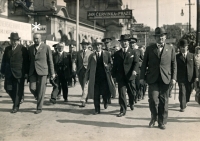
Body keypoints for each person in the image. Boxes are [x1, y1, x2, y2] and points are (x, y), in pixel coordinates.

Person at [140, 27, 177, 130]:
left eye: (162, 36)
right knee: (152, 99)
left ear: (165, 37)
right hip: (152, 78)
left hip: (166, 78)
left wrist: (174, 78)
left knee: (164, 101)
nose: (160, 38)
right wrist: (142, 77)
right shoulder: (149, 49)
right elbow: (144, 65)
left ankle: (162, 122)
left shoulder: (170, 49)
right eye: (158, 36)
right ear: (155, 38)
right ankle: (153, 117)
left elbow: (174, 65)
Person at [85, 39, 116, 114]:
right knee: (96, 94)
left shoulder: (107, 54)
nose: (98, 46)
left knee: (105, 92)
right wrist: (87, 77)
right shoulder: (92, 56)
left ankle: (105, 101)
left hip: (105, 77)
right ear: (94, 46)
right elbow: (88, 67)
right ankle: (97, 109)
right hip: (95, 78)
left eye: (99, 45)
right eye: (96, 45)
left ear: (101, 46)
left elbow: (111, 64)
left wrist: (107, 66)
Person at [0, 32, 29, 113]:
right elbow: (4, 61)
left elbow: (26, 62)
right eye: (12, 40)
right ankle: (17, 99)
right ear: (10, 40)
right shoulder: (7, 49)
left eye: (15, 40)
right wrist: (2, 71)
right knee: (7, 88)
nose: (13, 42)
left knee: (17, 90)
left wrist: (26, 72)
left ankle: (15, 106)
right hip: (8, 73)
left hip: (19, 73)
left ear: (18, 41)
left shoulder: (23, 49)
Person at [112, 34, 139, 117]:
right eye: (123, 42)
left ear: (128, 42)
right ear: (120, 43)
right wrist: (113, 75)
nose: (124, 43)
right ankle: (122, 110)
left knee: (132, 92)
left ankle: (131, 102)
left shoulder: (133, 52)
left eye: (126, 42)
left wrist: (134, 70)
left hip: (130, 76)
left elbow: (136, 63)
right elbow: (115, 65)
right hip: (121, 77)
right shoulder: (117, 53)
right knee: (122, 94)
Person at [28, 33, 55, 114]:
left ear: (40, 39)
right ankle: (37, 96)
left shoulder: (46, 47)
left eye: (37, 38)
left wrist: (52, 72)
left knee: (41, 90)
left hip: (43, 71)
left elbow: (50, 61)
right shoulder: (30, 48)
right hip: (33, 71)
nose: (36, 40)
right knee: (32, 88)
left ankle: (39, 108)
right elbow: (29, 60)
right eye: (34, 38)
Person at [176, 39, 197, 112]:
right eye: (181, 47)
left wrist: (196, 77)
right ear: (179, 48)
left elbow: (195, 66)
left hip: (190, 77)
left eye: (184, 46)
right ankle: (182, 106)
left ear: (187, 47)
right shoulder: (177, 57)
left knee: (189, 90)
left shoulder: (192, 55)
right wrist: (174, 77)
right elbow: (175, 68)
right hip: (181, 78)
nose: (183, 48)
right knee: (182, 91)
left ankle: (186, 101)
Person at [76, 39, 93, 107]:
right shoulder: (78, 53)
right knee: (82, 85)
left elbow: (92, 62)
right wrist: (75, 69)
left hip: (87, 70)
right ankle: (86, 96)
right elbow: (76, 61)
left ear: (87, 45)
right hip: (80, 71)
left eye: (85, 44)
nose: (84, 46)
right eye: (83, 44)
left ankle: (83, 100)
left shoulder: (91, 53)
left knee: (85, 85)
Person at [129, 37, 144, 102]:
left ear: (135, 44)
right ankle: (133, 98)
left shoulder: (139, 51)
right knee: (131, 86)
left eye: (133, 43)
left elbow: (143, 61)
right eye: (131, 43)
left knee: (138, 85)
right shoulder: (127, 51)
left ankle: (138, 95)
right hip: (129, 71)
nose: (132, 44)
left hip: (138, 70)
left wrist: (139, 62)